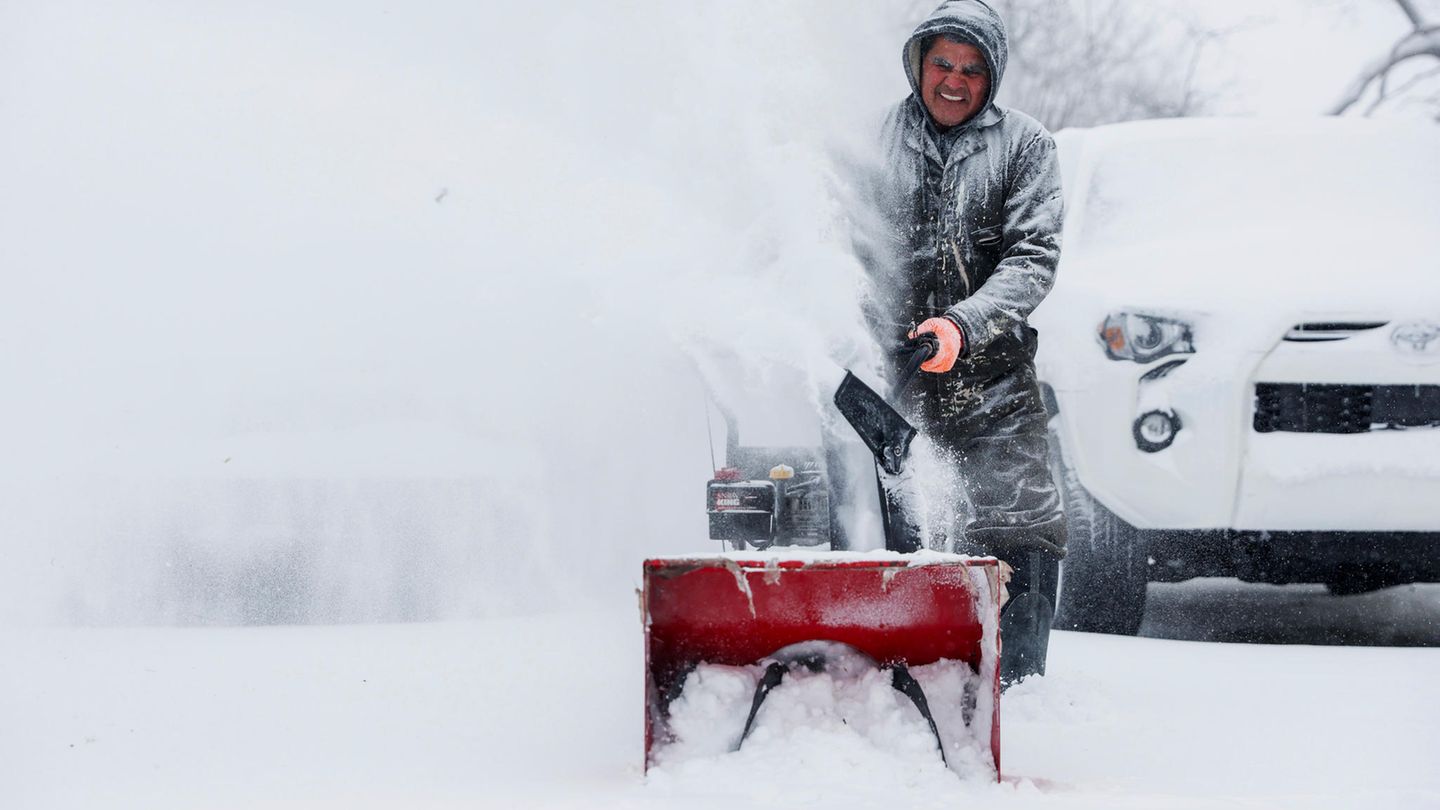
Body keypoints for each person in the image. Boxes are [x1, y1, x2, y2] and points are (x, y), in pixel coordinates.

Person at [862, 0, 1066, 684]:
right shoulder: (871, 140)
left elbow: (1031, 259)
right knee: (884, 533)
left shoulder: (1027, 146)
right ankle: (886, 678)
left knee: (1022, 526)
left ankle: (1017, 689)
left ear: (994, 76)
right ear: (918, 63)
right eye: (943, 63)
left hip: (994, 383)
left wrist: (962, 325)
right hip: (889, 388)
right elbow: (838, 241)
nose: (955, 80)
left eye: (973, 69)